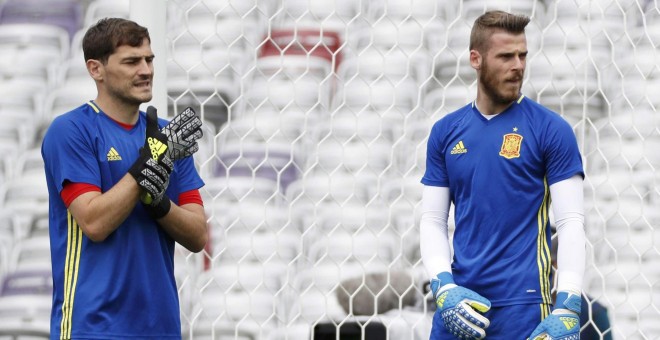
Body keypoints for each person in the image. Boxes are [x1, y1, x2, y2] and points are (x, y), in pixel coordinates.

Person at [419, 10, 586, 339]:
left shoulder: (551, 129)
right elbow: (432, 219)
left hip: (523, 310)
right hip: (459, 307)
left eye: (523, 55)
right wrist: (443, 286)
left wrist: (568, 304)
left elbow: (571, 221)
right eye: (506, 56)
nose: (518, 66)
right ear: (475, 59)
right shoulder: (445, 132)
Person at [41, 18, 207, 339]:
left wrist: (160, 205)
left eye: (149, 59)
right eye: (132, 61)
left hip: (161, 328)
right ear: (96, 69)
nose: (146, 70)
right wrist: (147, 164)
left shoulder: (167, 136)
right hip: (93, 327)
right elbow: (95, 223)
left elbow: (198, 235)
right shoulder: (71, 131)